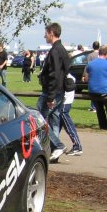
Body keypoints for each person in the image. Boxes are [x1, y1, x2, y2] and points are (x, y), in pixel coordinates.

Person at [36, 22, 68, 162]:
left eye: (46, 33)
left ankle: (58, 145)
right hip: (58, 91)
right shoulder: (62, 49)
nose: (44, 36)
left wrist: (50, 97)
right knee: (54, 120)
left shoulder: (55, 50)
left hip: (52, 91)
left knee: (38, 120)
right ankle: (54, 150)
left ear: (51, 33)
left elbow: (55, 74)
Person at [83, 45, 107, 130]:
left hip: (93, 91)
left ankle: (103, 125)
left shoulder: (90, 64)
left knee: (99, 109)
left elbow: (86, 78)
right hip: (105, 91)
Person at [61, 73, 83, 155]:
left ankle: (77, 146)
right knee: (55, 128)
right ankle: (55, 147)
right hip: (65, 103)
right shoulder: (70, 77)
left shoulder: (67, 77)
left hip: (64, 104)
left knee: (69, 126)